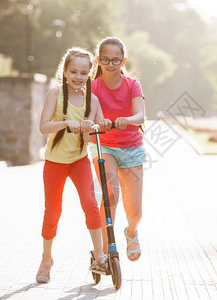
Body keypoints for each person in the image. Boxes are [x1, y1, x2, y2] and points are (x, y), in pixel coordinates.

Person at [36, 47, 106, 284]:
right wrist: (66, 123)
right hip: (55, 162)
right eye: (73, 71)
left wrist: (89, 128)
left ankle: (99, 256)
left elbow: (91, 138)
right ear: (64, 71)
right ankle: (46, 260)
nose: (78, 76)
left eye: (83, 73)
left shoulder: (93, 100)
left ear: (90, 74)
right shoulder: (55, 93)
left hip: (79, 161)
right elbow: (44, 126)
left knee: (90, 203)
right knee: (53, 210)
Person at [91, 37, 146, 262]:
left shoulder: (132, 85)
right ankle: (105, 251)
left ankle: (131, 232)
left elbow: (141, 115)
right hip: (104, 146)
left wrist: (127, 119)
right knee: (110, 195)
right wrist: (100, 120)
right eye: (106, 59)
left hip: (132, 148)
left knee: (134, 211)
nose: (111, 64)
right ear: (99, 60)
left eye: (116, 60)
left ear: (123, 61)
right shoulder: (92, 86)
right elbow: (90, 114)